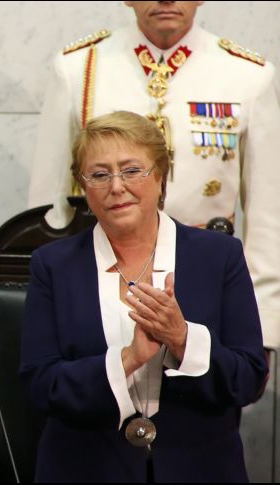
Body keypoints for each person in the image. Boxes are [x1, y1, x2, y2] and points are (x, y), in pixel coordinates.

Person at [19, 111, 267, 481]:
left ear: (161, 176)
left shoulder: (219, 257)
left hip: (200, 466)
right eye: (99, 174)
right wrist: (128, 359)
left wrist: (183, 339)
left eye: (132, 170)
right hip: (85, 467)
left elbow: (248, 378)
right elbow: (40, 386)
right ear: (83, 187)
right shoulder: (52, 266)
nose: (116, 186)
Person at [27, 1, 280, 349]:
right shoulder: (78, 68)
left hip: (206, 279)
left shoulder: (248, 76)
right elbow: (47, 208)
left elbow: (269, 217)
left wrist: (262, 330)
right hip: (102, 276)